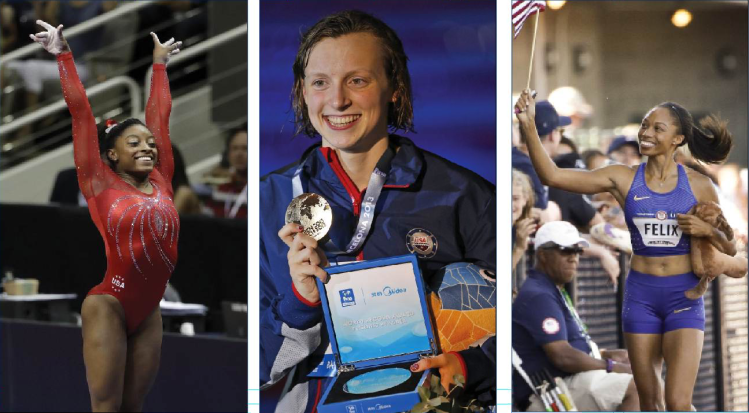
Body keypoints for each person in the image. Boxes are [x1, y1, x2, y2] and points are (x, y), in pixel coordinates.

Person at [259, 10, 495, 413]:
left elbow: (511, 323)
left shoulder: (462, 196)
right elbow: (257, 366)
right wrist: (302, 301)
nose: (337, 101)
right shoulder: (272, 199)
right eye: (320, 83)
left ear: (395, 89)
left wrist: (468, 364)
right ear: (302, 92)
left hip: (427, 403)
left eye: (357, 80)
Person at [515, 89, 736, 411]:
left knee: (677, 402)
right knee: (648, 401)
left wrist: (708, 231)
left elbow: (729, 244)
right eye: (644, 125)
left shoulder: (699, 185)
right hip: (641, 297)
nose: (646, 133)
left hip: (683, 297)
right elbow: (553, 175)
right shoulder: (622, 178)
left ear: (677, 139)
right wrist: (529, 125)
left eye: (657, 128)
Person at [32, 20, 182, 411]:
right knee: (106, 407)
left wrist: (160, 66)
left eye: (149, 144)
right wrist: (64, 55)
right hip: (109, 304)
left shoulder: (162, 179)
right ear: (111, 154)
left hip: (149, 310)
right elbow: (81, 113)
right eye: (134, 143)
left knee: (133, 408)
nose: (147, 147)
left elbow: (160, 117)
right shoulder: (99, 183)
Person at [513, 221, 639, 411]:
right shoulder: (539, 295)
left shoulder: (551, 289)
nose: (574, 258)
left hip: (568, 383)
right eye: (565, 250)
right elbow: (562, 357)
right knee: (637, 387)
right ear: (542, 254)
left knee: (650, 381)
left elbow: (570, 345)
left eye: (577, 251)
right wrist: (610, 365)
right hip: (548, 394)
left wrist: (604, 354)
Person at [204, 126, 248, 219]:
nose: (239, 154)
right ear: (228, 155)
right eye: (235, 148)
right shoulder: (221, 190)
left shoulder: (263, 190)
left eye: (245, 148)